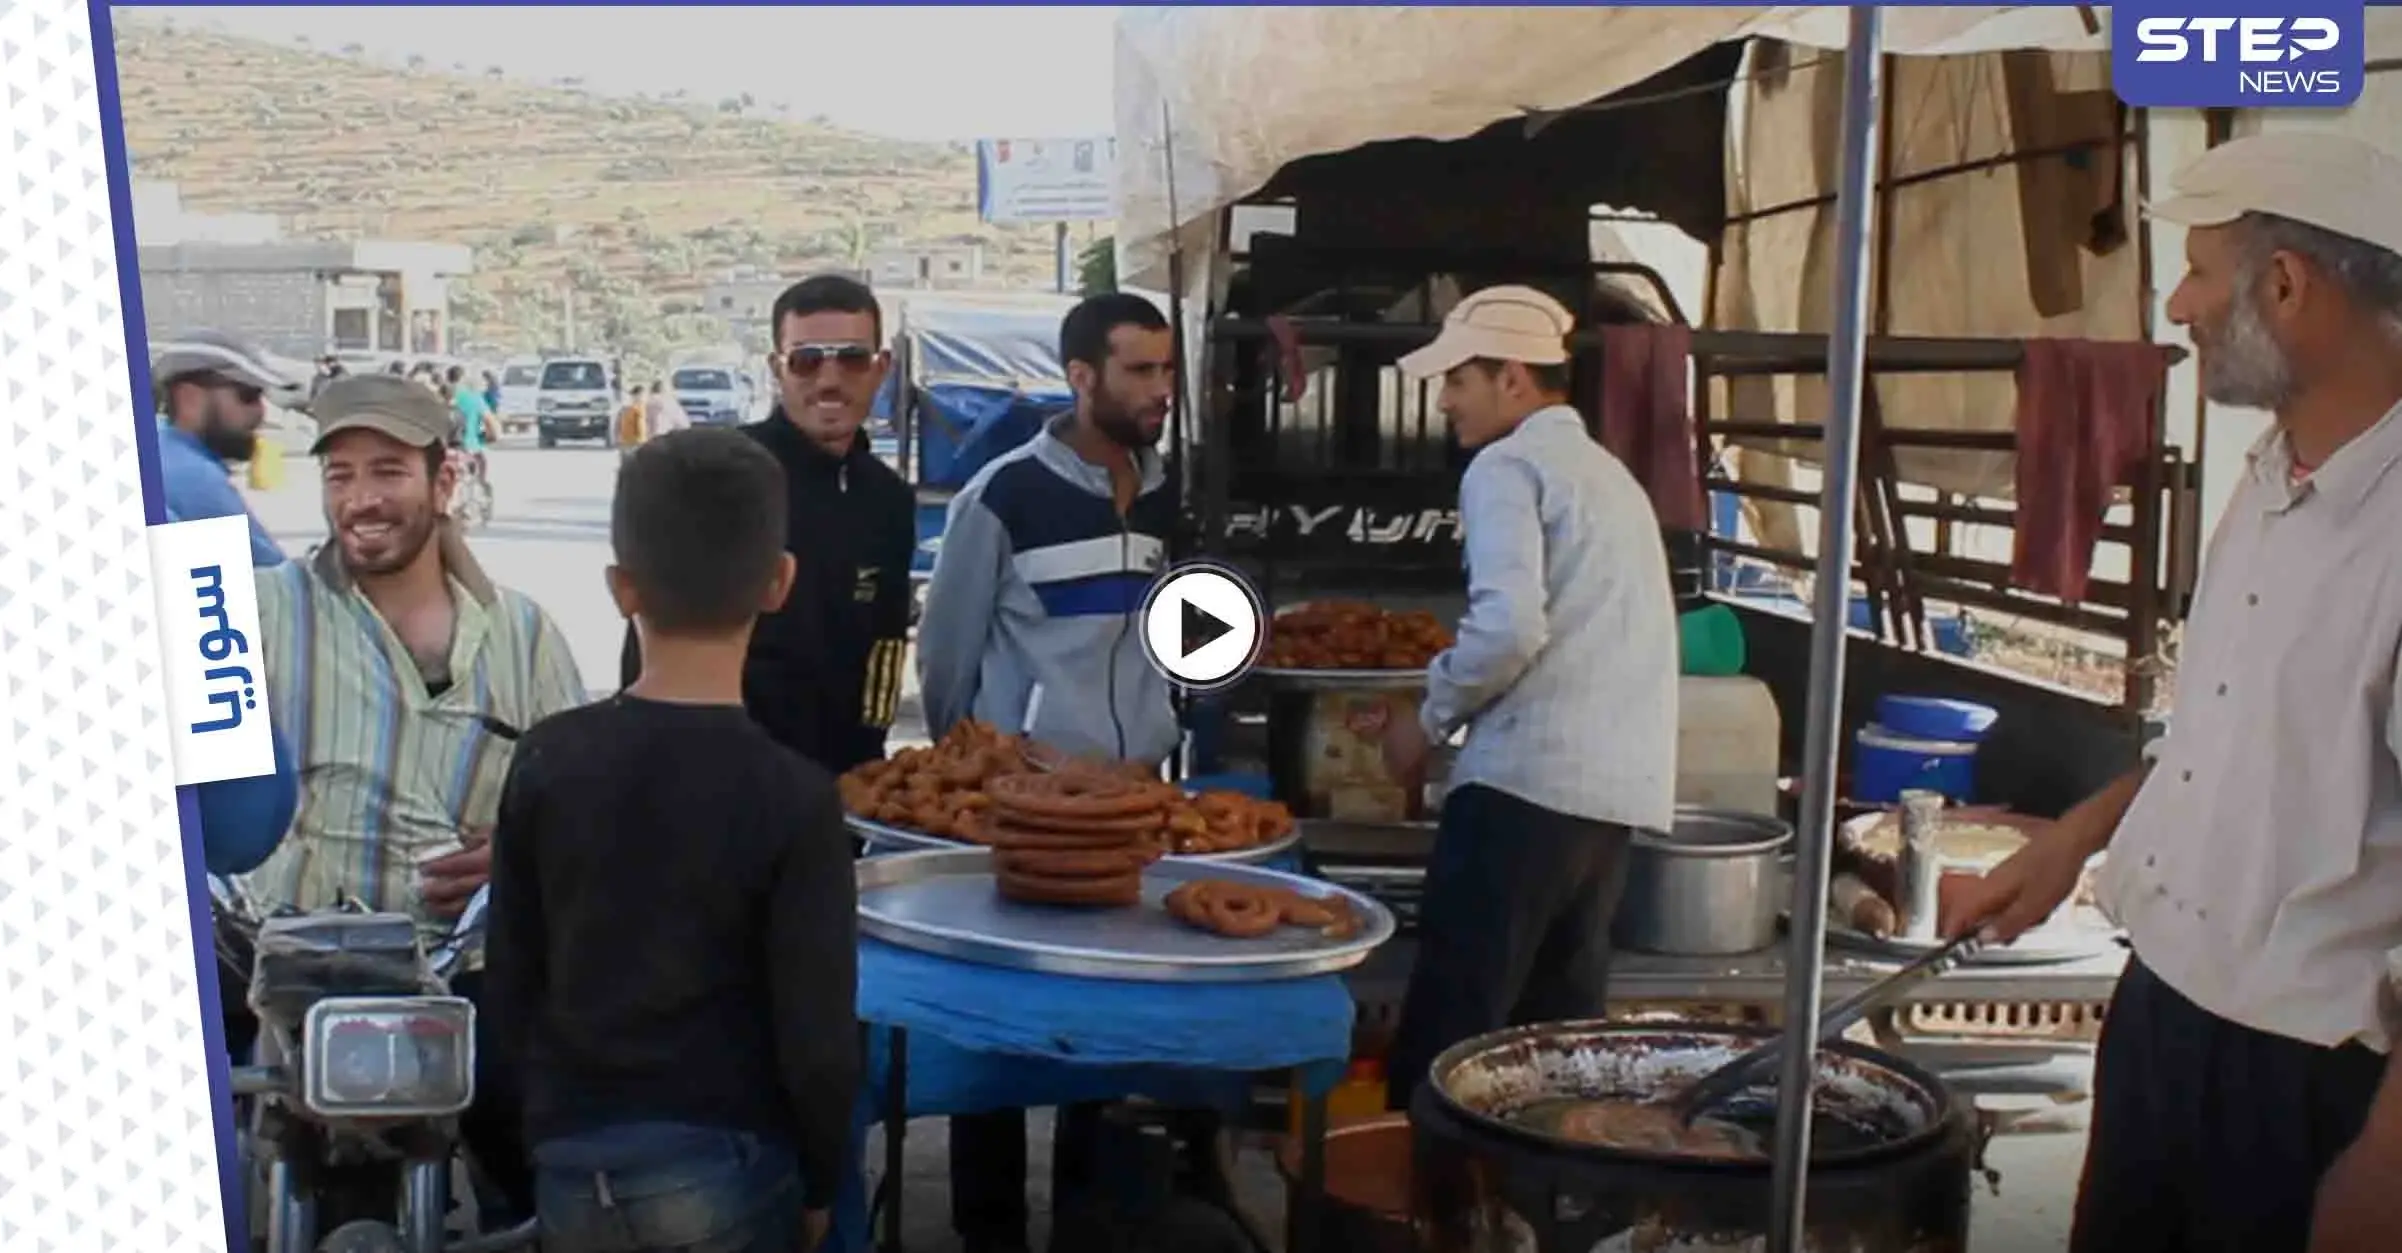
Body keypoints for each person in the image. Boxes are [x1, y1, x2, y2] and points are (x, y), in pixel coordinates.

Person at [1933, 133, 2402, 1253]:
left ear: (2284, 285)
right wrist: (2070, 841)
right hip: (2162, 1014)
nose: (2179, 307)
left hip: (2306, 1077)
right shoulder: (2270, 479)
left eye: (2197, 272)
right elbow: (2221, 734)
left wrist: (2386, 1166)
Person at [486, 429, 856, 1253]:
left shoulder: (547, 758)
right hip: (725, 1168)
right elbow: (819, 1040)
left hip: (573, 1160)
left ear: (622, 588)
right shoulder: (797, 796)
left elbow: (510, 986)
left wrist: (523, 1162)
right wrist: (822, 1184)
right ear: (780, 581)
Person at [239, 372, 587, 1225]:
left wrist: (521, 851)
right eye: (341, 474)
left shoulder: (524, 635)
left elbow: (586, 812)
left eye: (388, 471)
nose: (361, 499)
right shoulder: (262, 611)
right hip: (292, 970)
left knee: (545, 1172)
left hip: (465, 974)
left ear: (444, 480)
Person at [915, 291, 1180, 1253]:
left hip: (1132, 810)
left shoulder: (1169, 494)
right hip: (1024, 816)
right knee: (997, 1027)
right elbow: (946, 657)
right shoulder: (1002, 496)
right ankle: (988, 1230)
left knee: (1103, 1031)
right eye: (1140, 370)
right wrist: (988, 770)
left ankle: (1085, 1223)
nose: (1161, 389)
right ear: (1081, 377)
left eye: (1167, 369)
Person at [1374, 285, 1679, 1112]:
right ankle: (1542, 1187)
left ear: (1511, 378)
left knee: (1451, 1043)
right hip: (1607, 801)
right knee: (1556, 1051)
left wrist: (1427, 720)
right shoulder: (1607, 476)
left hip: (1524, 792)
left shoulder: (1507, 467)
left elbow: (1508, 628)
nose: (1444, 402)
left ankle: (1420, 1187)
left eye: (1458, 380)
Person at [617, 275, 913, 776]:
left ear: (881, 368)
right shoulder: (721, 475)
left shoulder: (888, 499)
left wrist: (870, 754)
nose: (829, 380)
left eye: (852, 359)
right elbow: (654, 632)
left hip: (842, 782)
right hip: (718, 774)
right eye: (806, 360)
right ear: (777, 368)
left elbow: (887, 645)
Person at [152, 330, 299, 567]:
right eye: (248, 395)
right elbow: (277, 580)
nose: (261, 412)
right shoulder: (193, 477)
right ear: (189, 399)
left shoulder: (159, 449)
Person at [450, 364, 498, 488]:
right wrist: (491, 436)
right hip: (470, 445)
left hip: (449, 445)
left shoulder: (453, 396)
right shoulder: (476, 399)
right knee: (481, 464)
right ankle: (482, 487)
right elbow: (490, 423)